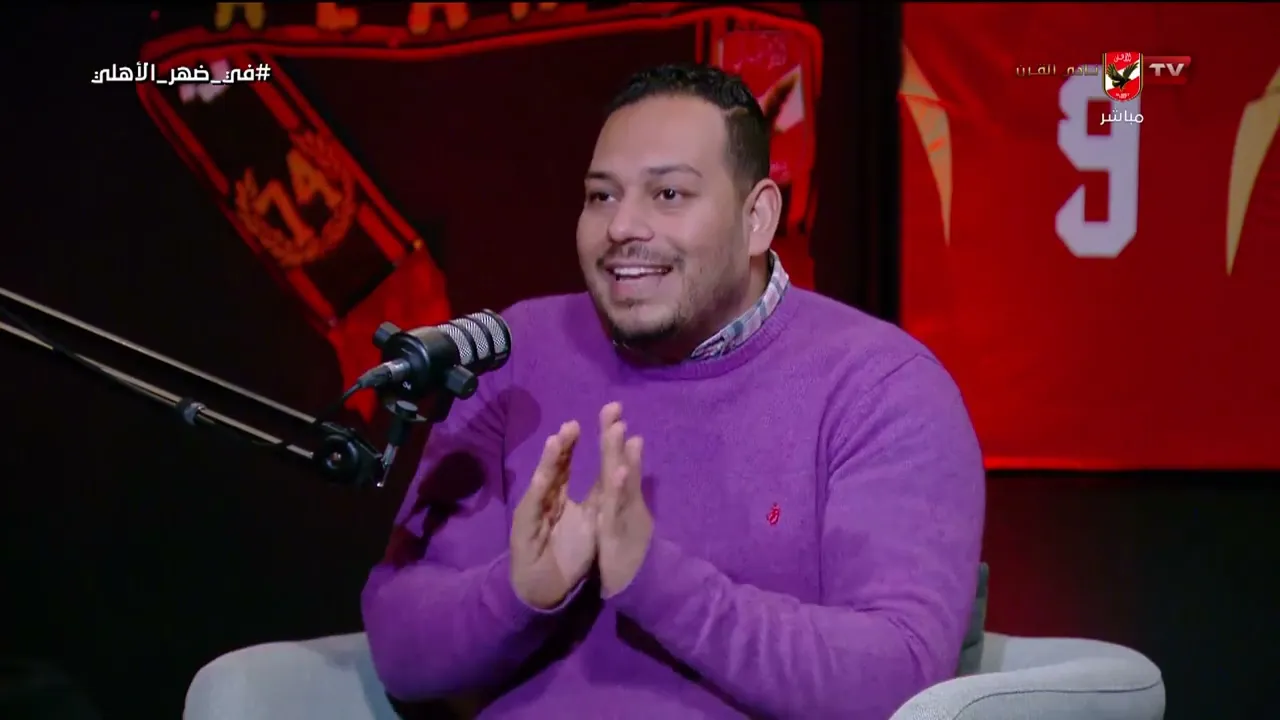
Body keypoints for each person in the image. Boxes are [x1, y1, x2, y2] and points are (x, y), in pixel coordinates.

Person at [361, 63, 985, 719]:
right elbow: (400, 646)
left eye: (668, 194)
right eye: (601, 196)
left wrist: (655, 580)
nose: (621, 226)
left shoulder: (880, 387)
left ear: (757, 218)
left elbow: (900, 680)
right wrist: (518, 591)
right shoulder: (515, 355)